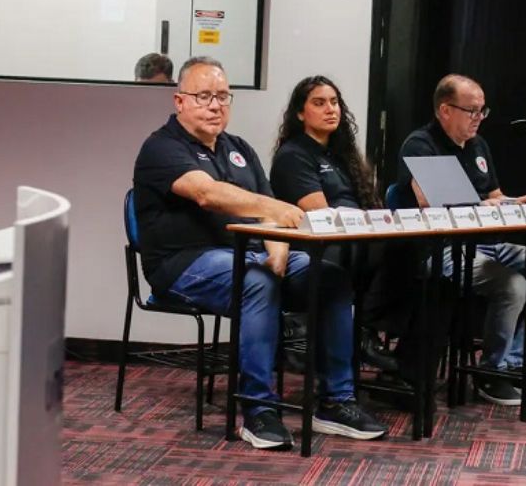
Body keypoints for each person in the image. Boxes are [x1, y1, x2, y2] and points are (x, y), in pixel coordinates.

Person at [132, 57, 386, 450]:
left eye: (223, 96)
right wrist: (275, 217)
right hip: (183, 263)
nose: (215, 105)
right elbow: (207, 193)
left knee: (330, 278)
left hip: (247, 256)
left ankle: (336, 401)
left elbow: (269, 213)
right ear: (180, 101)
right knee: (258, 282)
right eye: (203, 96)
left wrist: (279, 252)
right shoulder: (161, 147)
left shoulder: (238, 149)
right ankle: (258, 409)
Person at [394, 73, 526, 405]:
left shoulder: (478, 145)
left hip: (488, 243)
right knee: (512, 284)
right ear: (445, 110)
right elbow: (428, 200)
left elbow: (494, 195)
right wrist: (483, 205)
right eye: (472, 110)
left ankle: (515, 364)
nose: (479, 118)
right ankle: (491, 372)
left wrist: (514, 204)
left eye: (483, 110)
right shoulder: (422, 144)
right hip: (441, 248)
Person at [269, 75, 398, 373]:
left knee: (420, 262)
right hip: (318, 246)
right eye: (319, 103)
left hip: (355, 239)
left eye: (334, 102)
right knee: (396, 252)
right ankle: (363, 331)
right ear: (300, 113)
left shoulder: (344, 155)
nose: (330, 109)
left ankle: (387, 345)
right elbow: (321, 215)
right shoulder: (293, 156)